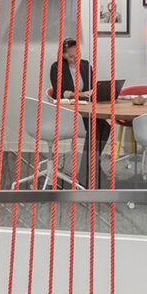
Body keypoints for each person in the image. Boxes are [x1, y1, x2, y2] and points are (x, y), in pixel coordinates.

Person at [46, 37, 112, 186]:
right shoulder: (57, 68)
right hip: (67, 112)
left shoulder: (85, 66)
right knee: (96, 128)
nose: (75, 58)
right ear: (63, 55)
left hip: (84, 109)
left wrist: (98, 92)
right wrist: (82, 94)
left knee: (104, 126)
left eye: (78, 54)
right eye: (71, 55)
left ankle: (88, 167)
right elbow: (61, 92)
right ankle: (87, 170)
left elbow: (93, 87)